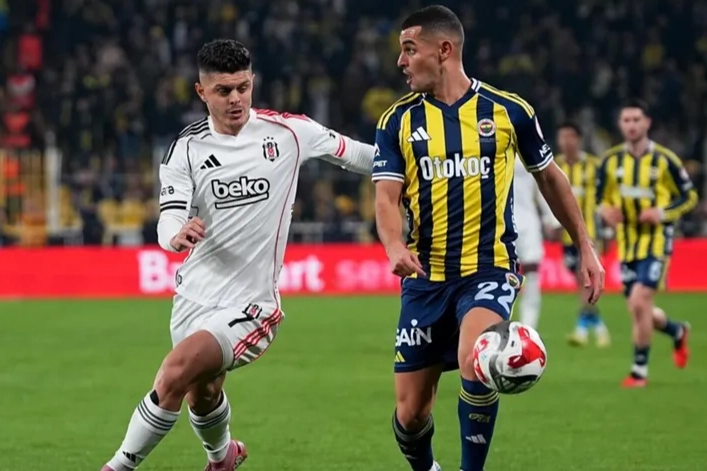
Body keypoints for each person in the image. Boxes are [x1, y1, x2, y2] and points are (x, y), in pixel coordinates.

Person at [100, 39, 375, 471]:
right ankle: (223, 458)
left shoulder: (289, 133)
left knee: (173, 374)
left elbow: (358, 155)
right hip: (194, 297)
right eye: (224, 90)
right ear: (201, 91)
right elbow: (168, 217)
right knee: (203, 392)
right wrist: (176, 235)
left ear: (252, 82)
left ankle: (117, 466)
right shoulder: (186, 148)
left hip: (252, 305)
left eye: (243, 87)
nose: (236, 99)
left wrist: (415, 163)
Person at [372, 6, 605, 471]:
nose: (401, 61)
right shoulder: (396, 121)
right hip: (425, 280)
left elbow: (550, 178)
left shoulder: (509, 111)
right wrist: (394, 245)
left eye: (409, 49)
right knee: (411, 415)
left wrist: (584, 245)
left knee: (478, 358)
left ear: (444, 50)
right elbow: (386, 197)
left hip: (488, 269)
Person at [597, 99, 696, 388]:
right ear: (620, 124)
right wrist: (605, 212)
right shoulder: (611, 161)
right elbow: (600, 199)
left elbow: (689, 197)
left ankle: (638, 371)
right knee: (639, 309)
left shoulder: (665, 160)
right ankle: (677, 331)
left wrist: (662, 213)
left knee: (640, 301)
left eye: (636, 119)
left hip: (656, 242)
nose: (631, 125)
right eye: (626, 120)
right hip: (627, 243)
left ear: (647, 123)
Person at [555, 122, 611, 347]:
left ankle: (581, 328)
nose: (566, 141)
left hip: (590, 235)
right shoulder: (555, 165)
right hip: (566, 237)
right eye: (562, 137)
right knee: (581, 282)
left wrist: (607, 231)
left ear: (578, 139)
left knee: (586, 280)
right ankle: (598, 326)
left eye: (570, 136)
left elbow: (606, 198)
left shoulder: (594, 166)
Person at [512, 153, 562, 330]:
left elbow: (542, 185)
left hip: (528, 221)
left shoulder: (527, 149)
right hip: (499, 223)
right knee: (501, 275)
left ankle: (528, 327)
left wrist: (551, 219)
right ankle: (501, 324)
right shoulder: (489, 145)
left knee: (532, 272)